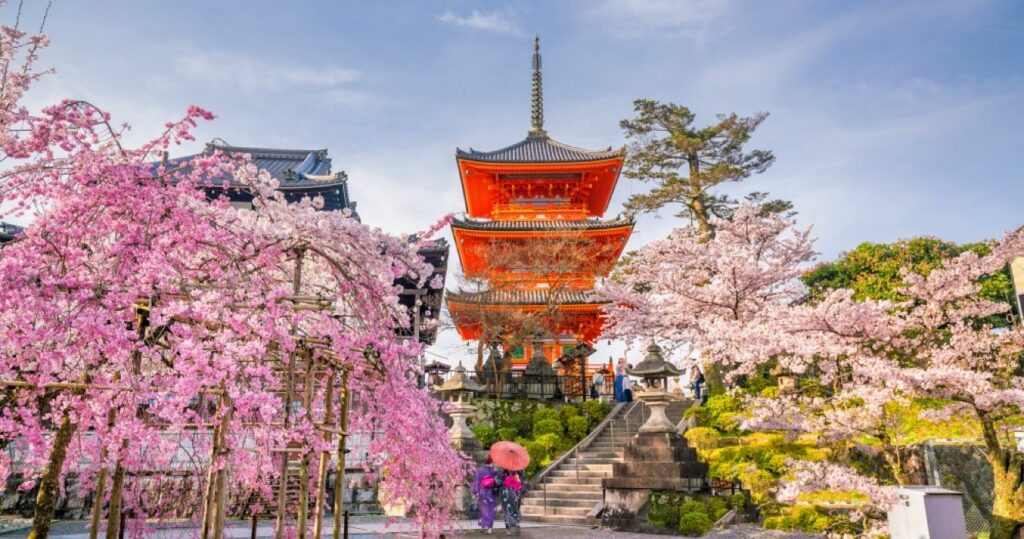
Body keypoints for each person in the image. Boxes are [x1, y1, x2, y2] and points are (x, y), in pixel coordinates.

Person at [495, 466, 528, 532]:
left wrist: (522, 489)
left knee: (515, 508)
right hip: (506, 492)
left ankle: (515, 522)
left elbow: (524, 481)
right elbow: (498, 481)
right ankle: (508, 528)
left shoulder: (519, 469)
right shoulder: (502, 469)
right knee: (506, 509)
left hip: (515, 492)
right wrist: (505, 479)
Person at [472, 457, 499, 533]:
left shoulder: (480, 471)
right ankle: (489, 528)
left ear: (484, 463)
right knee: (491, 509)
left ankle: (484, 526)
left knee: (484, 510)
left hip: (482, 492)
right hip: (490, 492)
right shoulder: (494, 471)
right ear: (491, 462)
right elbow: (498, 480)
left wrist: (475, 492)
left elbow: (476, 482)